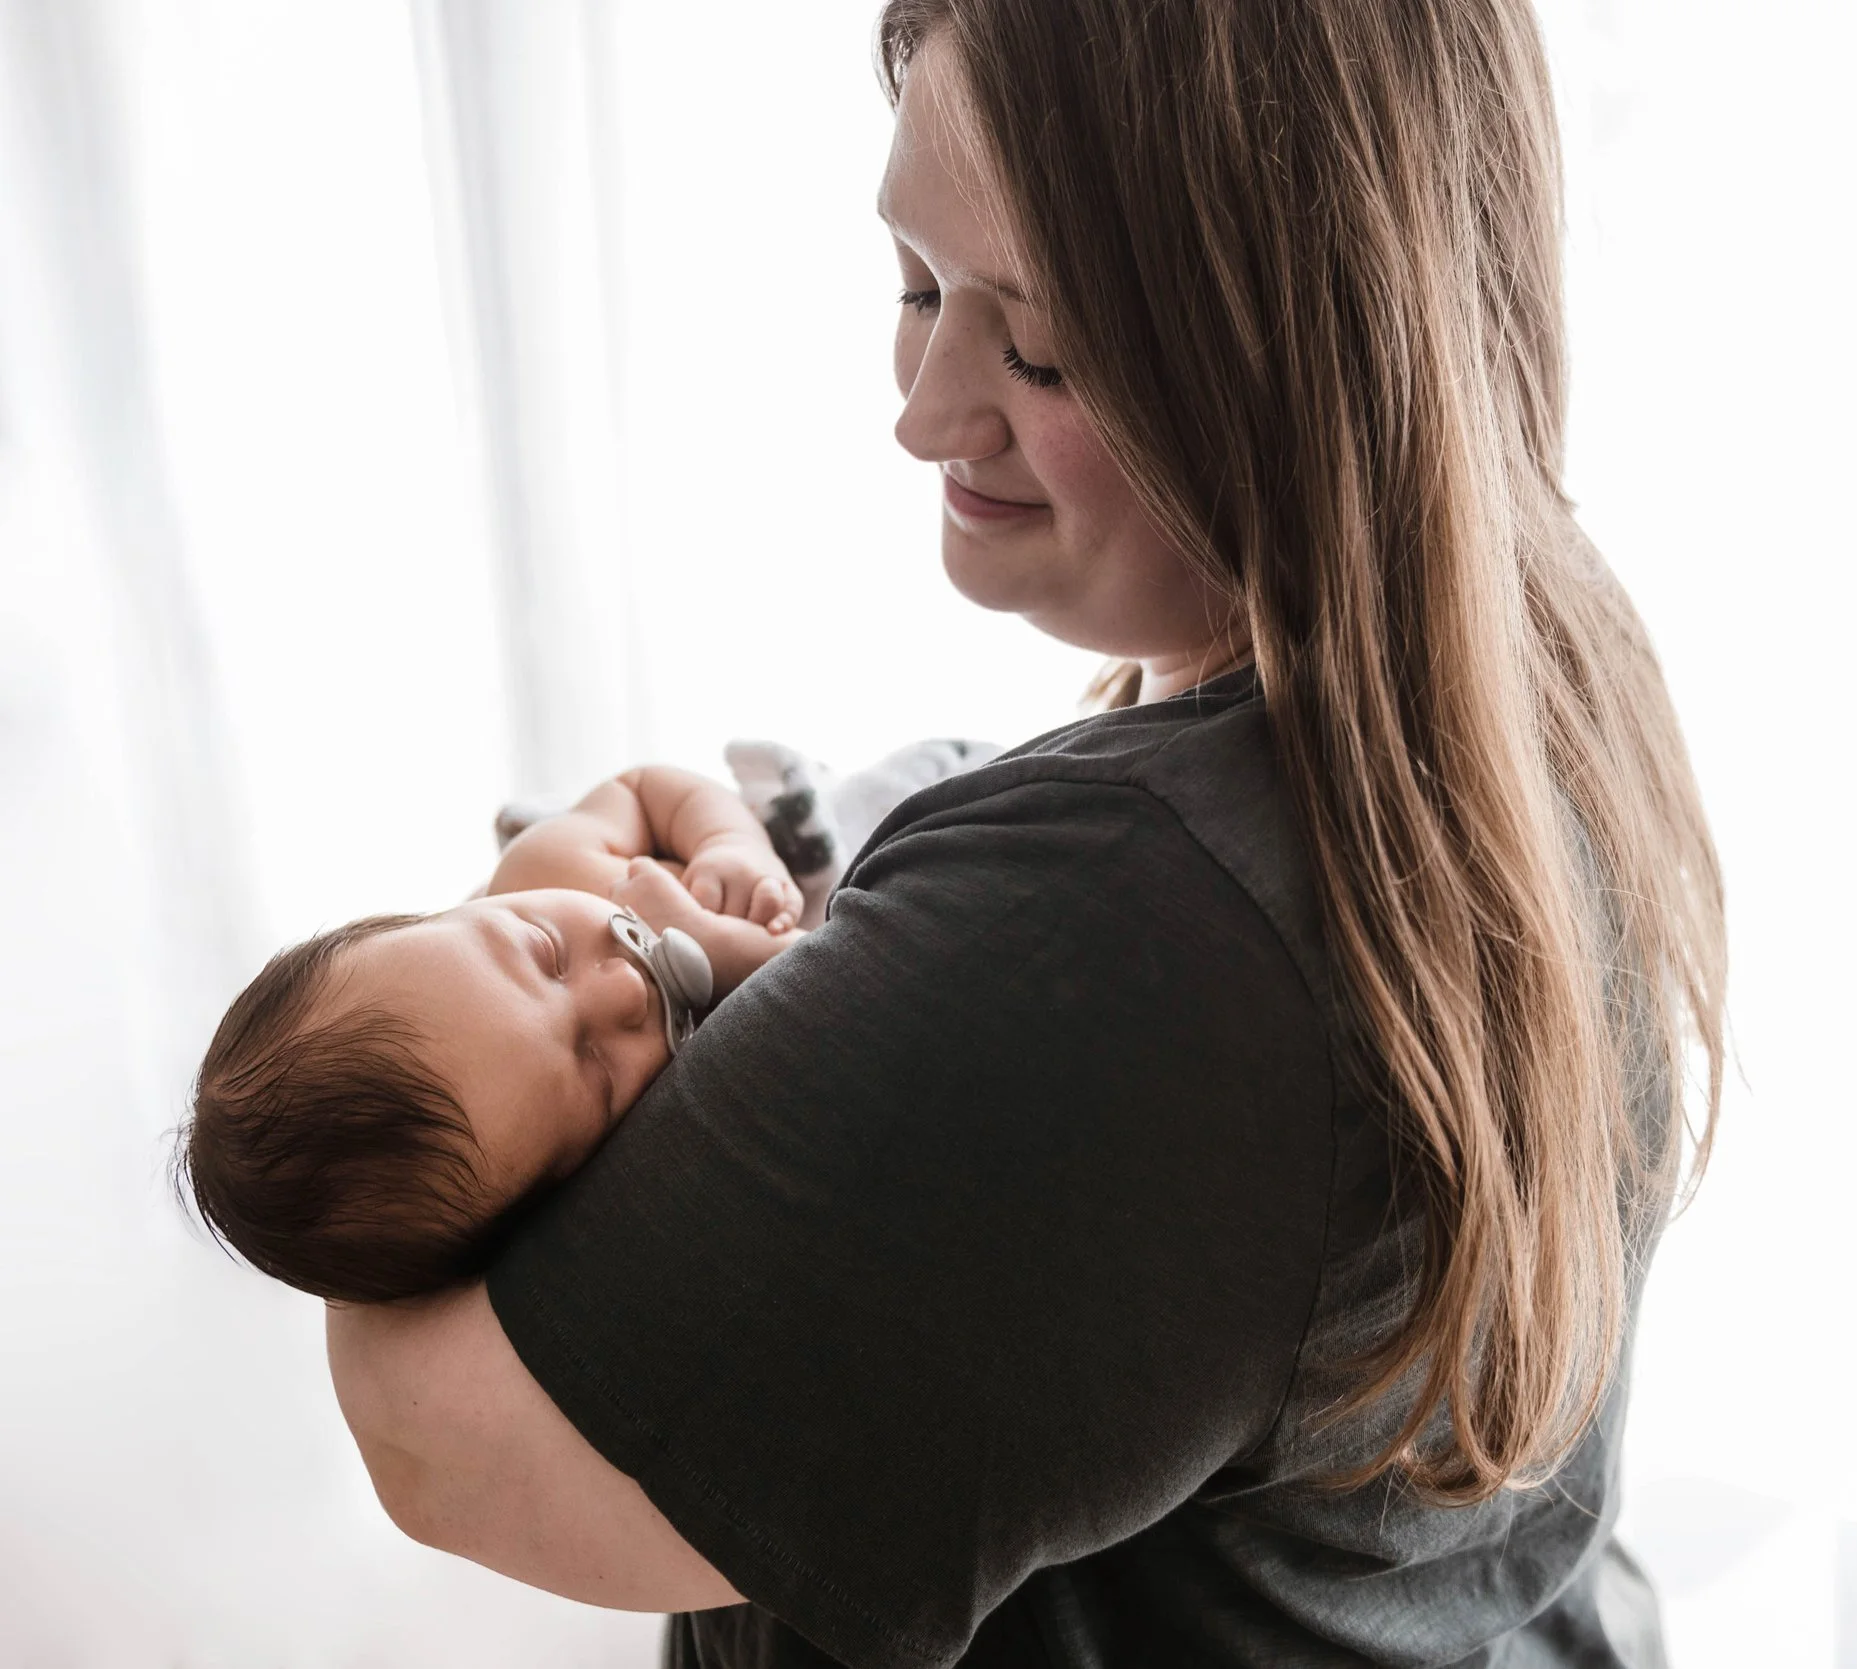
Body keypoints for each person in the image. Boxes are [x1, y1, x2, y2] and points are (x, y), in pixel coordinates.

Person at [322, 2, 1727, 1665]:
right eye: (916, 285)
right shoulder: (1538, 648)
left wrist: (434, 1016)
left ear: (1309, 343)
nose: (925, 411)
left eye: (1038, 349)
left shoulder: (1137, 927)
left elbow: (450, 1439)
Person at [179, 764, 806, 1304]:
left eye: (545, 951)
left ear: (444, 915)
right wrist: (730, 953)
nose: (625, 987)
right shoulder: (672, 1144)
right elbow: (812, 969)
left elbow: (643, 789)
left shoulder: (547, 868)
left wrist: (730, 844)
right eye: (597, 1072)